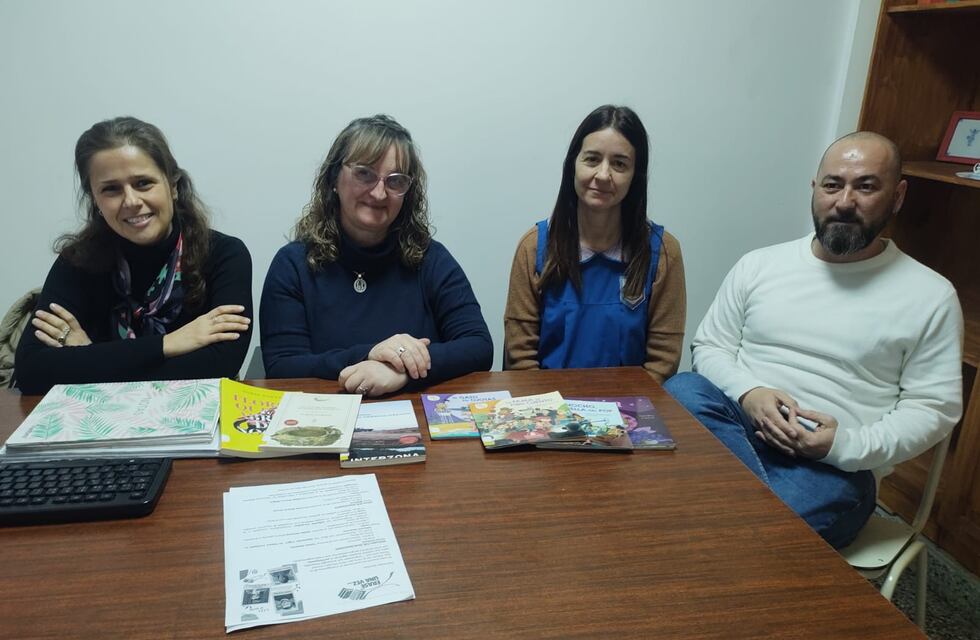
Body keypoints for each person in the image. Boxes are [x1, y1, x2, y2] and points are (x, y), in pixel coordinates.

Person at [664, 132, 963, 548]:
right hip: (735, 429)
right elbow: (710, 346)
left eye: (866, 186)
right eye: (833, 184)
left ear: (897, 196)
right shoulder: (760, 266)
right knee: (683, 388)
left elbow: (933, 409)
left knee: (725, 522)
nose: (844, 202)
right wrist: (750, 393)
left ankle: (705, 530)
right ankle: (724, 536)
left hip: (832, 470)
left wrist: (842, 445)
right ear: (814, 189)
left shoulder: (931, 296)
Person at [14, 117, 252, 394]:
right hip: (96, 425)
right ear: (95, 200)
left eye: (143, 183)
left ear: (173, 186)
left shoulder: (224, 255)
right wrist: (169, 344)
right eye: (111, 189)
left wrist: (92, 355)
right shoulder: (77, 262)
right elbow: (32, 371)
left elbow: (218, 365)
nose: (131, 201)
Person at [260, 114, 492, 396]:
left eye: (395, 181)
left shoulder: (431, 258)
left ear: (408, 192)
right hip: (325, 423)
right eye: (364, 173)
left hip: (419, 426)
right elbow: (282, 366)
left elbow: (478, 345)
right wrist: (369, 355)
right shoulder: (293, 265)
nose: (379, 193)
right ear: (334, 177)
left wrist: (402, 372)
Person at [503, 105, 686, 382]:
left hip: (631, 413)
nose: (603, 175)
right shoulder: (534, 248)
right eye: (592, 159)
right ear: (572, 165)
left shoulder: (662, 253)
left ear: (636, 176)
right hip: (548, 412)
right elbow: (521, 358)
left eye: (619, 164)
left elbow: (662, 361)